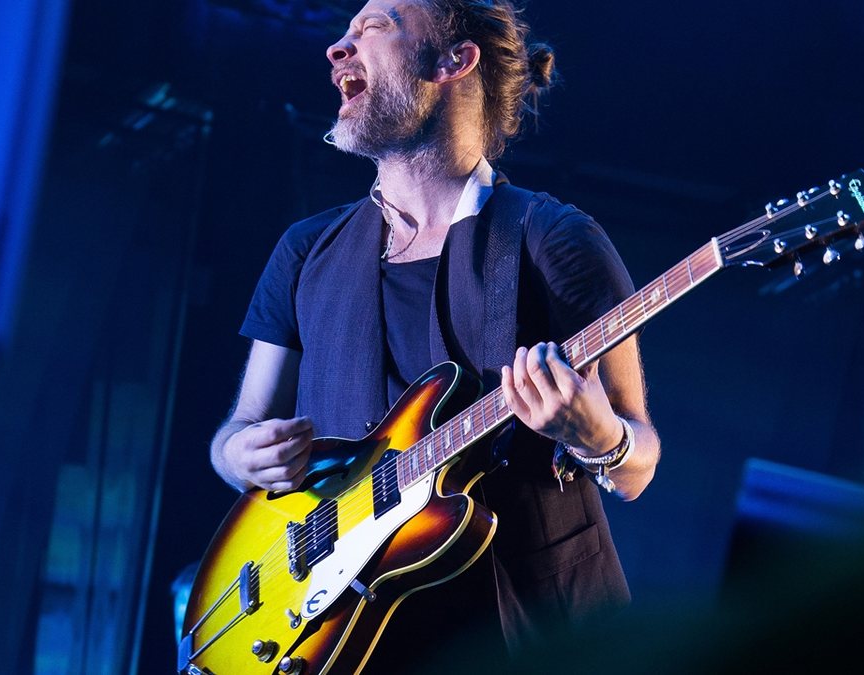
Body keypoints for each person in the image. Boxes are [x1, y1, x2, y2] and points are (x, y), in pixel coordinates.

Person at [208, 0, 661, 671]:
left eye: (375, 26)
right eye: (344, 31)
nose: (338, 47)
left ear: (455, 61)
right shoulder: (305, 252)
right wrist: (242, 454)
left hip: (520, 631)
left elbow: (639, 461)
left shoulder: (555, 238)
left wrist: (600, 437)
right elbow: (237, 430)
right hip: (344, 636)